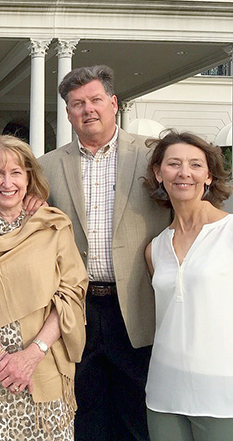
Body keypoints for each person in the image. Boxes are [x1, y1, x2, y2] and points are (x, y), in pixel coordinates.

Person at [38, 65, 171, 441]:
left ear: (113, 103)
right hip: (78, 308)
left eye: (96, 100)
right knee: (86, 412)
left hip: (136, 305)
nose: (88, 109)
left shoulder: (151, 156)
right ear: (67, 113)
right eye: (77, 104)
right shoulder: (48, 165)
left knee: (137, 413)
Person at [0, 135, 88, 440]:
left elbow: (71, 294)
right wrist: (1, 359)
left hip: (44, 364)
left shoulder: (52, 224)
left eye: (15, 172)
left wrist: (32, 355)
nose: (7, 182)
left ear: (29, 178)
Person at [143, 131, 233, 441]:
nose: (184, 173)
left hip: (222, 394)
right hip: (163, 393)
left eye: (195, 165)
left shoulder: (230, 232)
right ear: (159, 173)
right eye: (174, 164)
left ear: (208, 176)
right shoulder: (155, 248)